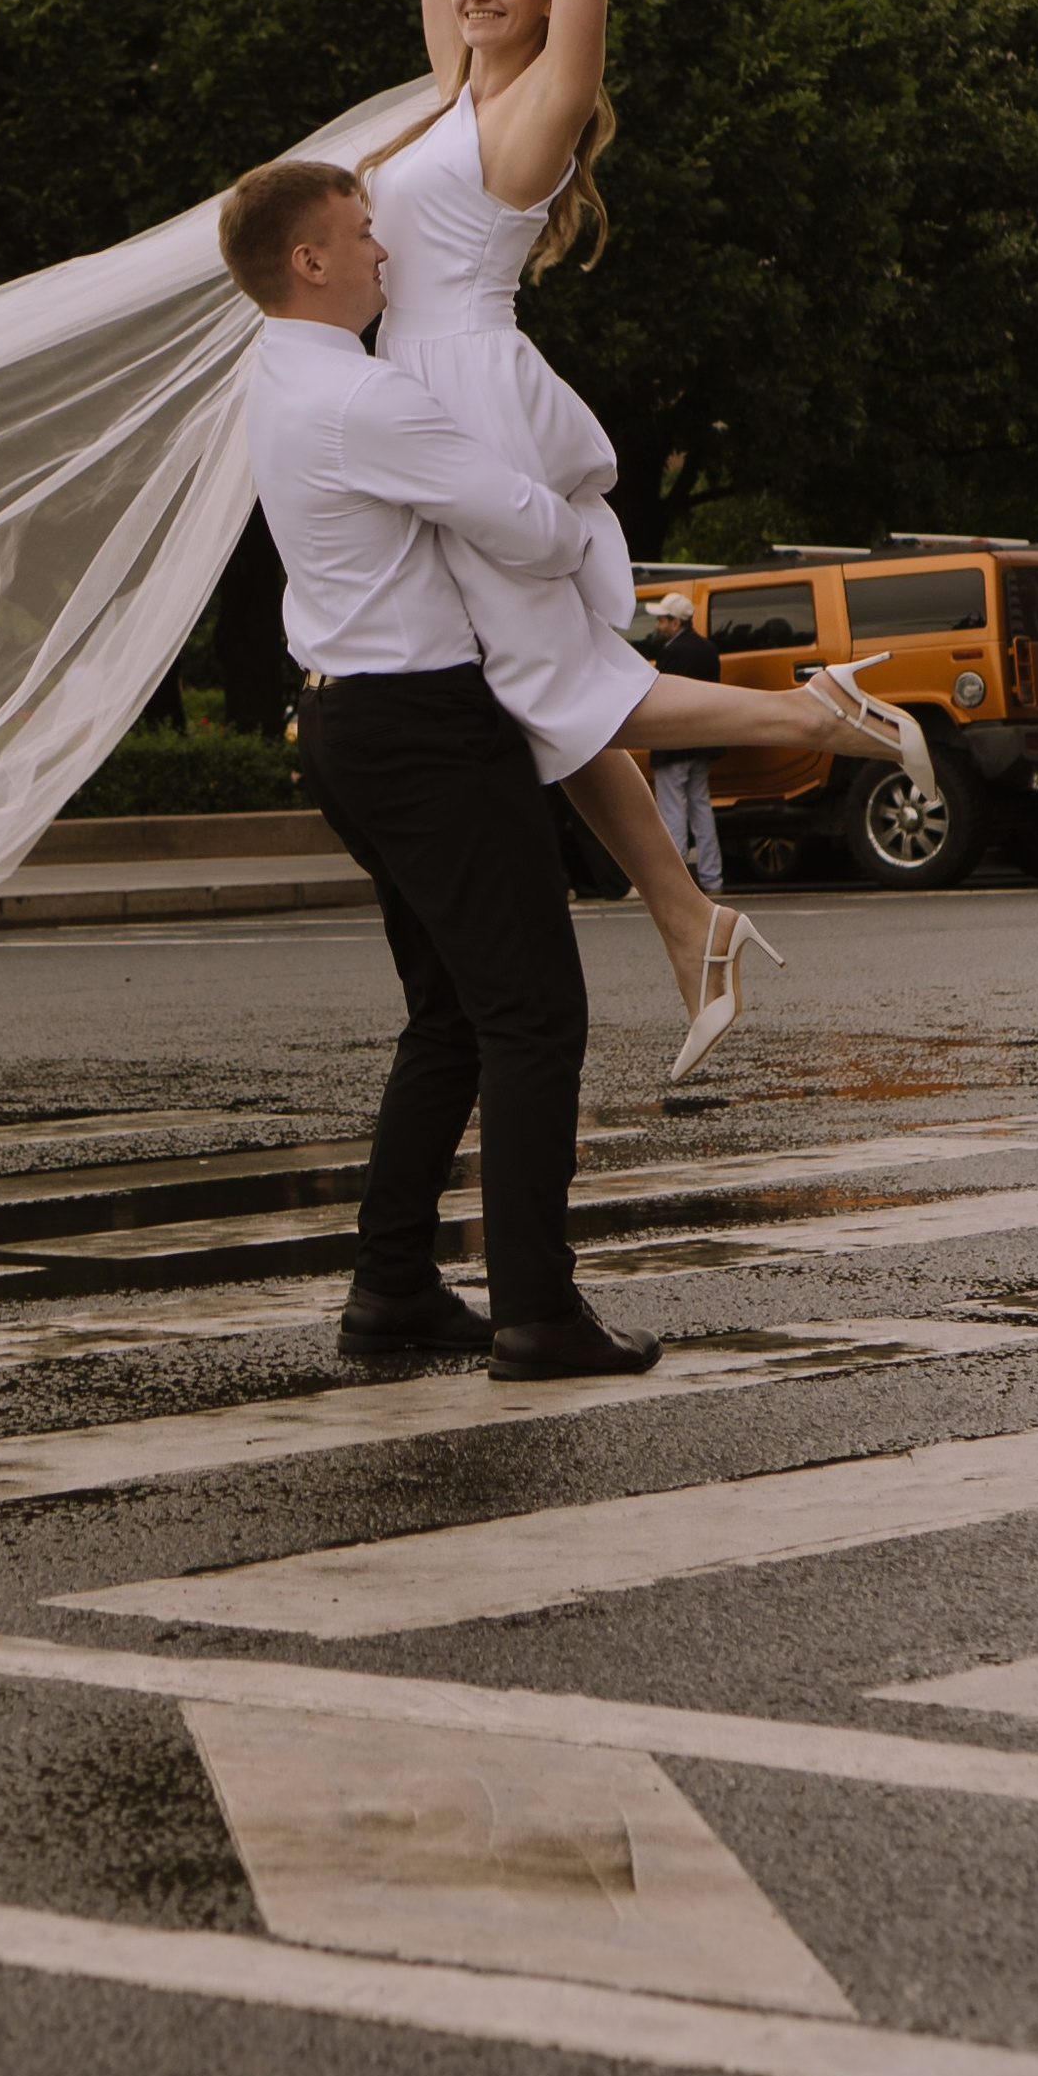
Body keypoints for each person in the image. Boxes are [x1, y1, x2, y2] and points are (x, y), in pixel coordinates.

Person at [369, 0, 935, 1083]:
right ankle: (691, 920)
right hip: (423, 394)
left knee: (550, 686)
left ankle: (821, 715)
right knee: (538, 690)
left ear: (547, 3)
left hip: (469, 395)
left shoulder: (542, 103)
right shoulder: (449, 90)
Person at [220, 154, 661, 1380]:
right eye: (361, 235)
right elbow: (526, 524)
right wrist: (576, 512)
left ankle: (395, 1291)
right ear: (307, 260)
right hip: (424, 732)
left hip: (350, 728)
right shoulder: (366, 399)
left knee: (451, 1020)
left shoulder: (273, 376)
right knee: (532, 1017)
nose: (384, 251)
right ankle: (536, 1312)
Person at [645, 590, 724, 899]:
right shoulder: (708, 649)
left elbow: (660, 694)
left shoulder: (671, 652)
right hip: (702, 739)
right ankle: (712, 878)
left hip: (673, 740)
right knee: (701, 809)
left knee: (672, 810)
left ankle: (677, 883)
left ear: (675, 622)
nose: (658, 625)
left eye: (662, 619)